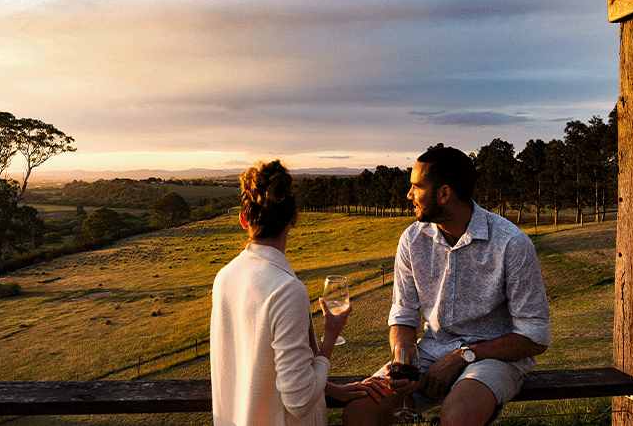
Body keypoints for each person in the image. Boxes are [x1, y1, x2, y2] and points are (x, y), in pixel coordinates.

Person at [343, 147, 551, 426]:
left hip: (495, 358)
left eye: (416, 187)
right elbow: (404, 315)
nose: (409, 195)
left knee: (458, 416)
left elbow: (534, 336)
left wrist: (463, 356)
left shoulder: (511, 243)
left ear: (444, 193)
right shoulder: (412, 240)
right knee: (360, 410)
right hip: (431, 353)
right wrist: (404, 363)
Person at [211, 159, 386, 426]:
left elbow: (264, 368)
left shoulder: (224, 277)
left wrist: (330, 388)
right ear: (294, 216)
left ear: (243, 219)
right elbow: (300, 401)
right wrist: (330, 336)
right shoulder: (286, 290)